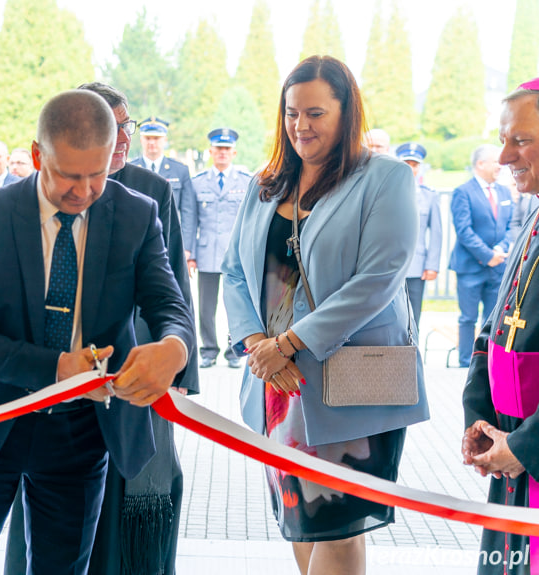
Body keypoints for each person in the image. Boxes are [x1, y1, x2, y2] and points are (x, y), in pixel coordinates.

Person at [0, 89, 195, 575]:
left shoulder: (135, 215)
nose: (85, 191)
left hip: (80, 432)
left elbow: (169, 304)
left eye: (97, 174)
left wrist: (174, 350)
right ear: (36, 156)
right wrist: (58, 368)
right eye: (70, 176)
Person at [222, 55, 429, 575]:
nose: (300, 126)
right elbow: (232, 274)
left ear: (346, 111)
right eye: (292, 113)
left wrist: (288, 343)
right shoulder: (265, 183)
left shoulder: (385, 179)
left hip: (350, 387)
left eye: (315, 113)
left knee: (339, 527)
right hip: (276, 383)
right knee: (299, 517)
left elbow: (379, 278)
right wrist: (258, 347)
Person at [4, 82, 199, 575]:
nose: (124, 137)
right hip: (55, 383)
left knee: (131, 491)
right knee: (50, 512)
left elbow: (171, 290)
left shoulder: (151, 193)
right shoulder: (28, 200)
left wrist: (176, 364)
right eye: (113, 126)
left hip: (135, 372)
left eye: (125, 125)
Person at [461, 78, 539, 575]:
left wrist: (526, 445)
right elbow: (495, 328)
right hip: (510, 449)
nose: (505, 156)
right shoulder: (531, 215)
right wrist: (479, 416)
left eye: (522, 140)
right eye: (504, 139)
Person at [187, 128, 253, 369]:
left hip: (235, 256)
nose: (223, 153)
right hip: (206, 254)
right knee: (205, 307)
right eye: (218, 150)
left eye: (227, 149)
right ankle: (208, 350)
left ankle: (234, 350)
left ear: (234, 152)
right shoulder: (198, 183)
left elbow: (249, 222)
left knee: (235, 305)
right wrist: (190, 254)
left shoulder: (246, 182)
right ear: (211, 152)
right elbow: (190, 220)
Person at [450, 144, 513, 368]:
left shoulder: (505, 192)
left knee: (493, 319)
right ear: (480, 164)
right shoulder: (463, 192)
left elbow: (510, 226)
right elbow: (464, 230)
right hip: (470, 268)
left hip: (498, 268)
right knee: (468, 318)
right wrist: (487, 255)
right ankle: (466, 362)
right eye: (496, 161)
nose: (501, 165)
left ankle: (486, 361)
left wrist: (500, 249)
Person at [130, 116, 196, 250]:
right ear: (141, 140)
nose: (152, 142)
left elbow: (188, 212)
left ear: (165, 139)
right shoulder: (130, 170)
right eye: (148, 138)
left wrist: (186, 248)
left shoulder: (180, 171)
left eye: (156, 138)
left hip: (169, 241)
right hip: (136, 241)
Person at [395, 142, 442, 327]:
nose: (410, 168)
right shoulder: (385, 192)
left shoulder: (429, 196)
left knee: (413, 316)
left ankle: (413, 354)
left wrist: (432, 265)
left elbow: (436, 232)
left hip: (416, 266)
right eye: (406, 163)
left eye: (414, 165)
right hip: (388, 265)